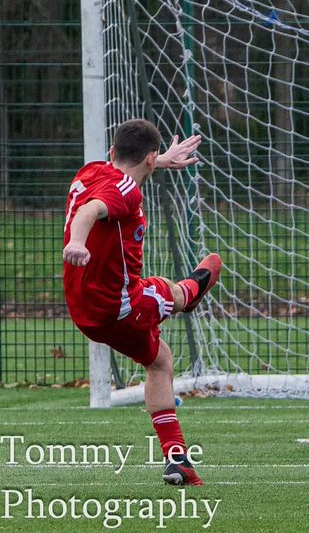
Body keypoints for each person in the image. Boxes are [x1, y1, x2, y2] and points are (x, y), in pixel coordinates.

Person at [62, 119, 222, 486]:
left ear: (113, 151)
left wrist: (162, 159)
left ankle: (178, 461)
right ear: (148, 158)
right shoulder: (127, 193)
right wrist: (77, 242)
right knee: (176, 290)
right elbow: (92, 211)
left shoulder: (92, 171)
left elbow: (107, 187)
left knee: (160, 358)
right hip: (119, 308)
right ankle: (190, 294)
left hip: (81, 306)